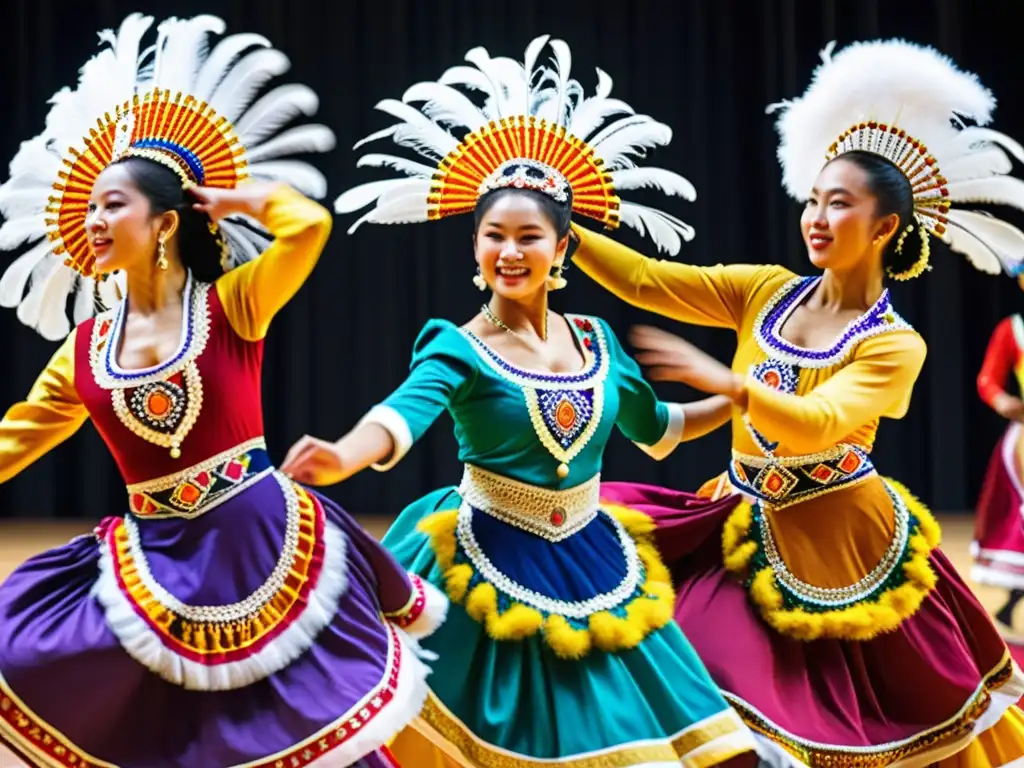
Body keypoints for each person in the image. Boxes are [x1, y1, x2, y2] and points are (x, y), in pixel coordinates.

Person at [282, 34, 762, 768]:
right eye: (493, 236)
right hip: (485, 559)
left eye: (528, 237)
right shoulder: (457, 344)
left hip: (593, 557)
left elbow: (659, 429)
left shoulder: (598, 342)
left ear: (563, 249)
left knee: (640, 740)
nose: (509, 251)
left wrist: (740, 396)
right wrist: (346, 454)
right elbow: (403, 413)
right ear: (474, 249)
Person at [0, 14, 444, 768]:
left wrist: (234, 199)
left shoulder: (232, 305)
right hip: (161, 561)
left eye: (114, 204)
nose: (95, 218)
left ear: (165, 222)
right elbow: (14, 440)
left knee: (305, 723)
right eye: (91, 206)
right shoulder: (83, 353)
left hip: (265, 545)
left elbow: (308, 226)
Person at [568, 39, 1024, 766]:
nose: (815, 216)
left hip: (845, 541)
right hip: (740, 520)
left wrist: (733, 386)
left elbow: (820, 422)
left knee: (865, 723)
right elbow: (651, 281)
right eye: (813, 199)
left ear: (884, 227)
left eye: (838, 204)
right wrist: (563, 226)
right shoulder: (765, 291)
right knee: (699, 674)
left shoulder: (895, 344)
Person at [974, 279, 1024, 642]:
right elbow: (988, 379)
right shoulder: (1014, 329)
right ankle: (1010, 603)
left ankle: (1010, 605)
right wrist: (1003, 401)